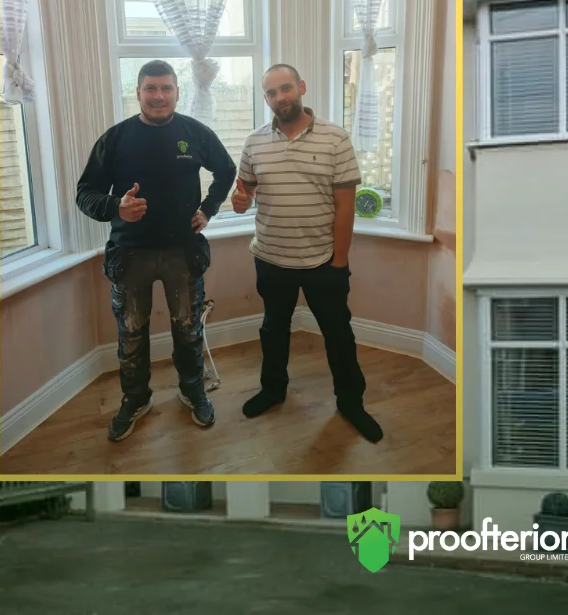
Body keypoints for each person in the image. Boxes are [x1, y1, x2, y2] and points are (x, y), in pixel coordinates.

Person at [76, 59, 237, 442]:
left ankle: (192, 390)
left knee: (187, 328)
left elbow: (227, 170)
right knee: (131, 333)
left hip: (183, 251)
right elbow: (85, 194)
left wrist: (209, 209)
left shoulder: (195, 133)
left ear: (178, 92)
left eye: (166, 88)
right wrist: (117, 206)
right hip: (131, 254)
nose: (159, 96)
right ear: (138, 92)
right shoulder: (114, 140)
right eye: (151, 88)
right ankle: (136, 399)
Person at [231, 62, 382, 443]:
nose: (279, 97)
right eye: (270, 92)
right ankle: (272, 391)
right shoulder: (254, 142)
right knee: (273, 331)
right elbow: (242, 198)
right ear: (265, 98)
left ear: (301, 86)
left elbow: (345, 206)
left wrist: (339, 262)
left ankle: (351, 404)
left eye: (285, 88)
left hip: (323, 262)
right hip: (271, 258)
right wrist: (237, 200)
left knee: (338, 336)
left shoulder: (336, 139)